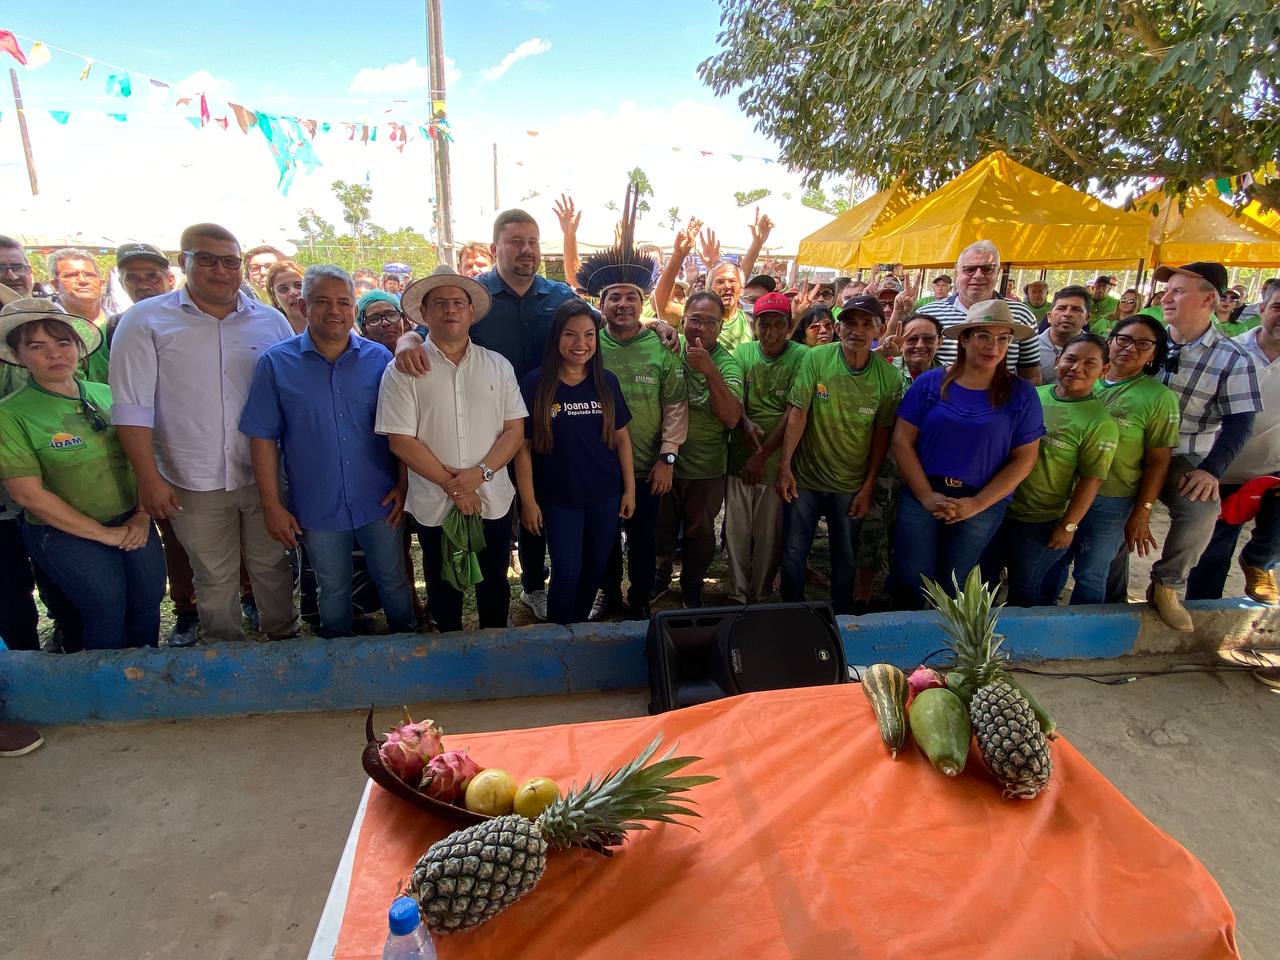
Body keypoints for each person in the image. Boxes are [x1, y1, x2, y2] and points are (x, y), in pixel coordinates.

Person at [394, 209, 678, 621]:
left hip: (557, 433)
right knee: (519, 513)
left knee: (544, 513)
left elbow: (598, 323)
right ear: (496, 249)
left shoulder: (560, 296)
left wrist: (653, 322)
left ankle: (552, 593)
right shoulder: (476, 297)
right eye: (515, 242)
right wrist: (405, 339)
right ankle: (531, 587)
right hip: (493, 431)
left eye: (532, 242)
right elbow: (431, 331)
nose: (526, 250)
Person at [110, 222, 298, 644]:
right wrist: (149, 480)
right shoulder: (145, 321)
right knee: (212, 572)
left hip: (263, 474)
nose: (220, 270)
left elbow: (291, 397)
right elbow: (131, 408)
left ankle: (284, 642)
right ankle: (224, 650)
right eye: (207, 259)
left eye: (230, 261)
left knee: (272, 563)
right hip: (188, 477)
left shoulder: (270, 322)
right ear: (184, 262)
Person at [240, 266, 415, 638]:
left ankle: (409, 647)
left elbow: (400, 430)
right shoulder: (276, 363)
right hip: (316, 505)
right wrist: (273, 506)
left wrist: (403, 484)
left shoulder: (378, 360)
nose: (334, 310)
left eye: (343, 302)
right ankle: (338, 660)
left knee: (394, 581)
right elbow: (262, 439)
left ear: (354, 309)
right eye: (322, 301)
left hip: (379, 498)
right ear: (303, 306)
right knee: (331, 588)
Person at [0, 298, 165, 649]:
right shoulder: (11, 414)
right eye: (37, 347)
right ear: (17, 355)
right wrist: (103, 536)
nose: (54, 354)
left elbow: (143, 456)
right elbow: (28, 495)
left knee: (147, 608)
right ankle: (109, 697)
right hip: (64, 533)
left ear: (78, 347)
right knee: (106, 610)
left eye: (63, 343)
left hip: (133, 519)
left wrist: (141, 516)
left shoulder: (107, 394)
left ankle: (147, 687)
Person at [376, 267, 526, 632]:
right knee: (443, 584)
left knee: (494, 581)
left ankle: (494, 647)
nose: (450, 310)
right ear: (424, 313)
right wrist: (455, 486)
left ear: (471, 311)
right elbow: (401, 440)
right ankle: (448, 651)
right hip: (435, 502)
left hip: (492, 496)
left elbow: (514, 431)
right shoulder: (402, 371)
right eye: (440, 303)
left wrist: (480, 475)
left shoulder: (498, 366)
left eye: (459, 302)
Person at [890, 300, 1044, 608]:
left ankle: (940, 646)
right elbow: (901, 440)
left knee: (954, 582)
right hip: (923, 495)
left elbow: (1025, 458)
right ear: (964, 338)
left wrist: (977, 503)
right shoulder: (931, 383)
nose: (993, 346)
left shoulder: (1021, 393)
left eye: (1003, 338)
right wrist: (925, 495)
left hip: (982, 502)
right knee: (910, 576)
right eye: (984, 336)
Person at [1142, 261, 1262, 631]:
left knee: (1201, 507)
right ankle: (1106, 590)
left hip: (1182, 453)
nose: (1167, 296)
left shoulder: (1233, 357)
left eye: (1178, 290)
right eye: (1168, 289)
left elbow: (1240, 420)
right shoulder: (1145, 341)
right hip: (1128, 447)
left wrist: (1212, 469)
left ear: (1209, 299)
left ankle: (1168, 584)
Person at [777, 294, 901, 612]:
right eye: (848, 322)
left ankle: (841, 615)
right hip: (805, 477)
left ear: (879, 329)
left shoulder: (887, 377)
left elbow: (881, 434)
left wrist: (868, 485)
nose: (855, 330)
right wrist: (786, 466)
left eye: (865, 324)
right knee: (793, 550)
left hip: (850, 483)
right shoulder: (816, 359)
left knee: (845, 552)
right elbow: (798, 412)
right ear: (838, 327)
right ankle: (790, 610)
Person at [1046, 315, 1179, 605]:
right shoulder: (1082, 377)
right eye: (1125, 339)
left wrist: (1143, 512)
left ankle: (1082, 641)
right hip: (1061, 494)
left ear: (1154, 353)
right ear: (1111, 341)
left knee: (1092, 571)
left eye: (1143, 344)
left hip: (1112, 498)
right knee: (1052, 563)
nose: (1131, 348)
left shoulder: (1159, 397)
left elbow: (1159, 461)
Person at [515, 301, 634, 624]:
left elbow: (622, 440)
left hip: (604, 495)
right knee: (567, 571)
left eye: (588, 335)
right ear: (556, 338)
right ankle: (558, 636)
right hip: (558, 497)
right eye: (571, 335)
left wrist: (629, 491)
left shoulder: (606, 382)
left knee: (595, 567)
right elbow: (522, 448)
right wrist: (528, 501)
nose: (580, 344)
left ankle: (578, 629)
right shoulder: (535, 384)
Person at [586, 251, 688, 622]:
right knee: (604, 539)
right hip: (599, 466)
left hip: (649, 467)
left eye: (631, 296)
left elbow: (676, 406)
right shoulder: (590, 345)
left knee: (643, 539)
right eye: (615, 297)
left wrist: (668, 458)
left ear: (642, 303)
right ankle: (609, 594)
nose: (623, 304)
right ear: (602, 304)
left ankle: (641, 598)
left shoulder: (663, 346)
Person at [987, 334, 1117, 606]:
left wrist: (1069, 525)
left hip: (1041, 520)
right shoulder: (1034, 395)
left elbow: (1091, 481)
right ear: (1058, 361)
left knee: (1025, 587)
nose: (1076, 368)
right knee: (984, 579)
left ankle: (1024, 647)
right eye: (1070, 359)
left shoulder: (1099, 423)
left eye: (1089, 363)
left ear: (1104, 370)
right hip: (999, 506)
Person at [110, 242, 197, 647]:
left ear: (169, 276)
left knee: (248, 545)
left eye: (151, 275)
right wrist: (147, 473)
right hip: (164, 460)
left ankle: (246, 599)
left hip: (235, 456)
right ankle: (188, 610)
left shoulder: (222, 318)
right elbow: (126, 408)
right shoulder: (121, 325)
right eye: (133, 277)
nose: (144, 284)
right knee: (177, 543)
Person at [1188, 283, 1280, 607]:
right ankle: (1202, 613)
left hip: (1273, 466)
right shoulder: (1232, 352)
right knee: (1212, 550)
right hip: (1224, 466)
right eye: (1278, 307)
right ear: (1263, 309)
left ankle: (1260, 562)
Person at [655, 291, 743, 607]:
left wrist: (710, 371)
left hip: (707, 468)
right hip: (664, 462)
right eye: (695, 320)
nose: (700, 329)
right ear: (684, 320)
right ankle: (660, 579)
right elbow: (638, 324)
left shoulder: (728, 364)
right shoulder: (669, 344)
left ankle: (692, 585)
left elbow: (732, 418)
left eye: (710, 322)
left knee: (699, 532)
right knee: (661, 528)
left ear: (721, 327)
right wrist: (655, 322)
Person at [855, 311, 945, 608]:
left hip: (926, 474)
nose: (920, 345)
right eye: (912, 338)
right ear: (900, 340)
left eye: (928, 338)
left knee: (911, 538)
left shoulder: (950, 379)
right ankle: (863, 594)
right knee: (872, 530)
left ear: (939, 342)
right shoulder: (885, 369)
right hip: (883, 468)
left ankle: (902, 591)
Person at [726, 293, 806, 603]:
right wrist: (744, 422)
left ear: (789, 327)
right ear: (755, 325)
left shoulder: (802, 357)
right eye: (764, 325)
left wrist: (762, 456)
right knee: (736, 528)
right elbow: (735, 396)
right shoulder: (743, 352)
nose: (770, 333)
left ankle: (760, 592)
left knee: (769, 533)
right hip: (739, 455)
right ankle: (737, 591)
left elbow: (793, 411)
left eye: (778, 325)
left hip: (776, 460)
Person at [918, 241, 1042, 383]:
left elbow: (1031, 374)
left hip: (1001, 401)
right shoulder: (927, 314)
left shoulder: (1022, 314)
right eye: (969, 269)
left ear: (998, 272)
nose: (978, 275)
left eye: (987, 269)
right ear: (956, 271)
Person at [45, 248, 111, 383]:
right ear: (55, 285)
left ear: (101, 282)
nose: (82, 280)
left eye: (90, 275)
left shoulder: (120, 323)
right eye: (71, 275)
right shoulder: (46, 329)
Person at [1035, 285, 1091, 384]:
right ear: (1049, 316)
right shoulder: (1031, 347)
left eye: (1076, 309)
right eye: (1061, 308)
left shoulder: (1095, 350)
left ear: (1087, 318)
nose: (1067, 314)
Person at [266, 259, 306, 334]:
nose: (293, 293)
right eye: (283, 289)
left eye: (299, 285)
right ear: (275, 299)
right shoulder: (271, 336)